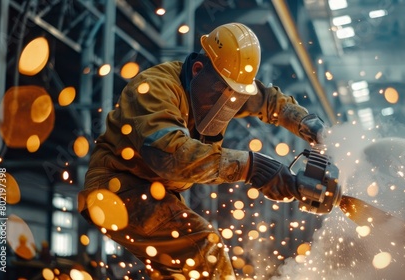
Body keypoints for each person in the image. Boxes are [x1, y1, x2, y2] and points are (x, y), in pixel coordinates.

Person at [78, 22, 327, 279]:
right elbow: (172, 156)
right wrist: (252, 167)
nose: (227, 106)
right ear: (198, 70)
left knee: (178, 272)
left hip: (159, 192)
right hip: (116, 189)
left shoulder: (219, 90)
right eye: (223, 93)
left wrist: (306, 123)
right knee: (204, 247)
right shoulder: (156, 87)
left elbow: (267, 99)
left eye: (235, 97)